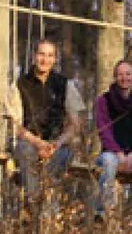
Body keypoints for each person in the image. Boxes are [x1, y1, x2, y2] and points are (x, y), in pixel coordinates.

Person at [7, 40, 85, 212]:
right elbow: (15, 125)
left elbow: (75, 124)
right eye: (41, 54)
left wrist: (56, 143)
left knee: (62, 160)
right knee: (25, 151)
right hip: (30, 141)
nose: (45, 59)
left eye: (50, 55)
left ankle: (50, 211)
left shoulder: (65, 85)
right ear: (34, 56)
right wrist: (38, 143)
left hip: (57, 144)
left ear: (55, 59)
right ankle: (34, 205)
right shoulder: (20, 84)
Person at [93, 60, 132, 226]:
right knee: (108, 162)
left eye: (128, 74)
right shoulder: (104, 100)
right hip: (110, 153)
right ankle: (102, 212)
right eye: (120, 74)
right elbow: (103, 129)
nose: (124, 78)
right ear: (115, 77)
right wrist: (118, 153)